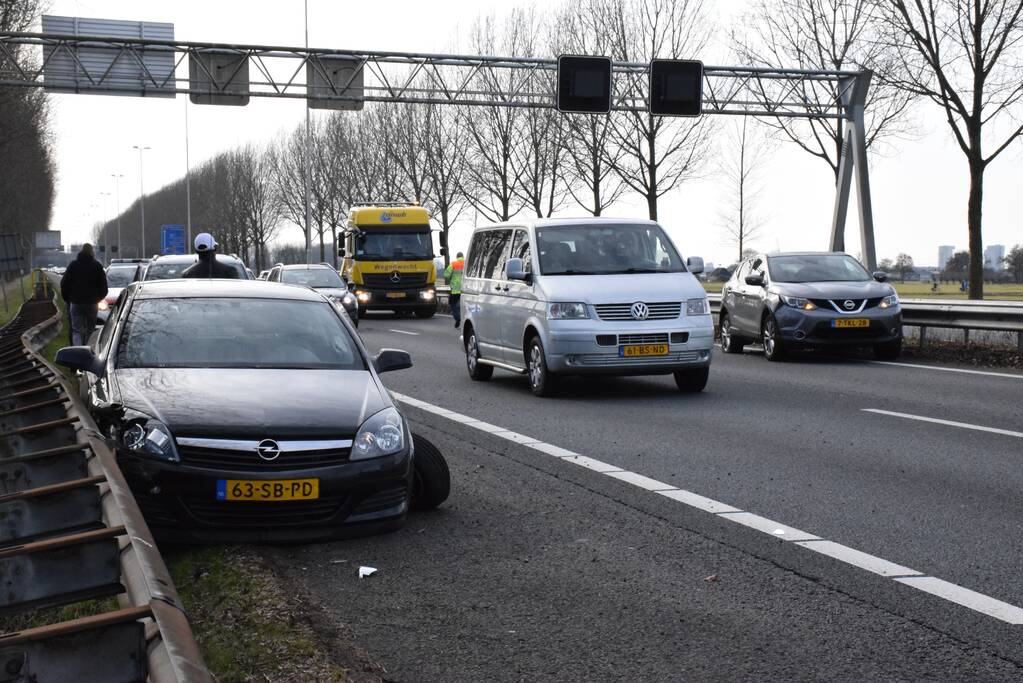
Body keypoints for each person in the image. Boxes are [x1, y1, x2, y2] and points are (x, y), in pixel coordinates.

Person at [60, 243, 108, 346]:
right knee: (90, 330)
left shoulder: (73, 266)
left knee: (76, 330)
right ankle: (87, 351)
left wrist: (68, 299)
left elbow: (64, 284)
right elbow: (104, 287)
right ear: (92, 253)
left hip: (76, 303)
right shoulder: (97, 266)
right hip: (91, 303)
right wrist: (98, 299)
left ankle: (77, 351)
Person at [444, 252, 465, 329]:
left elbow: (446, 274)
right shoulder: (467, 263)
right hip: (465, 290)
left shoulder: (454, 264)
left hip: (455, 290)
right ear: (463, 256)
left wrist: (451, 278)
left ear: (457, 257)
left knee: (453, 304)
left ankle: (457, 318)